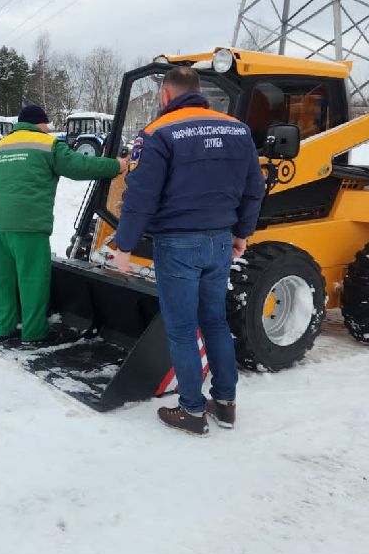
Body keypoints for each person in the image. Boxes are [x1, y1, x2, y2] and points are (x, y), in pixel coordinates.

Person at [112, 68, 264, 436]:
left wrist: (124, 245)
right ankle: (224, 404)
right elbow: (254, 188)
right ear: (201, 92)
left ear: (166, 94)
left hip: (178, 243)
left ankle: (192, 411)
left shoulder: (157, 133)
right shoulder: (236, 129)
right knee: (214, 321)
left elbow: (140, 196)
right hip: (219, 240)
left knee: (181, 329)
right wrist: (241, 233)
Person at [0, 103, 128, 345]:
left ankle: (4, 329)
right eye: (47, 124)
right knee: (32, 279)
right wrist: (117, 165)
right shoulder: (47, 144)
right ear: (39, 123)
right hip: (29, 224)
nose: (48, 128)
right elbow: (79, 166)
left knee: (2, 280)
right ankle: (33, 333)